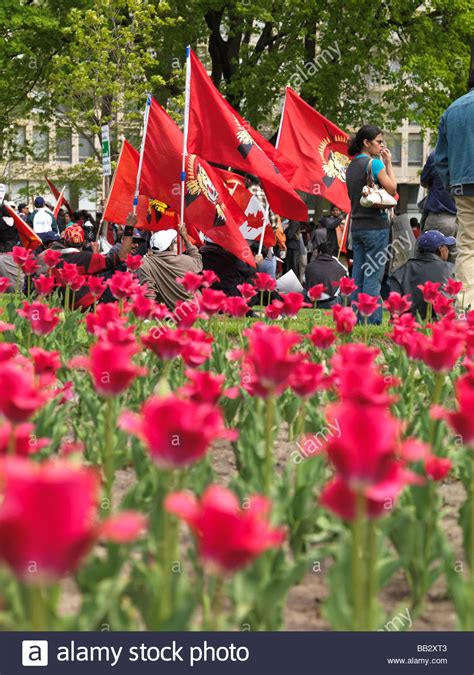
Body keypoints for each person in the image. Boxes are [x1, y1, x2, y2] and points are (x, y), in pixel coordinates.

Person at [345, 124, 397, 324]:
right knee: (373, 275)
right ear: (366, 143)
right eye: (378, 142)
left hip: (356, 226)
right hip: (376, 226)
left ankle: (357, 320)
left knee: (358, 274)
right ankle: (372, 320)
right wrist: (388, 163)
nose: (381, 146)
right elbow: (392, 189)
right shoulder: (375, 164)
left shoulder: (350, 166)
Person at [37, 215, 135, 310]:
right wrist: (129, 227)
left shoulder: (55, 262)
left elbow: (45, 291)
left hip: (65, 312)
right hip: (89, 311)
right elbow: (122, 256)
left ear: (64, 242)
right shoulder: (87, 258)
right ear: (84, 242)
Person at [435, 76, 474, 309]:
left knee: (468, 247)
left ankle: (467, 310)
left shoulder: (452, 110)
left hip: (464, 188)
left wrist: (453, 186)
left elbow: (441, 160)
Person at [391, 230, 455, 320]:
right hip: (441, 327)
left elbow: (394, 311)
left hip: (407, 328)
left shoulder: (400, 272)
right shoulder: (451, 269)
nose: (448, 251)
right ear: (441, 249)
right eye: (447, 247)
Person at [139, 224, 202, 309]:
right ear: (170, 246)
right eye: (174, 242)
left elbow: (149, 292)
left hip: (174, 315)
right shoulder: (184, 260)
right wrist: (185, 238)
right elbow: (198, 260)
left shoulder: (146, 263)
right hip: (196, 309)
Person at [420, 150, 457, 237]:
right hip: (463, 220)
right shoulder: (467, 156)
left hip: (440, 219)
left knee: (429, 249)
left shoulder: (436, 155)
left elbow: (423, 182)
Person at [305, 241, 348, 306]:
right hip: (331, 303)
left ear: (319, 252)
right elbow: (346, 283)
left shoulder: (309, 266)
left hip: (312, 302)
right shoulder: (340, 267)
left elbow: (305, 281)